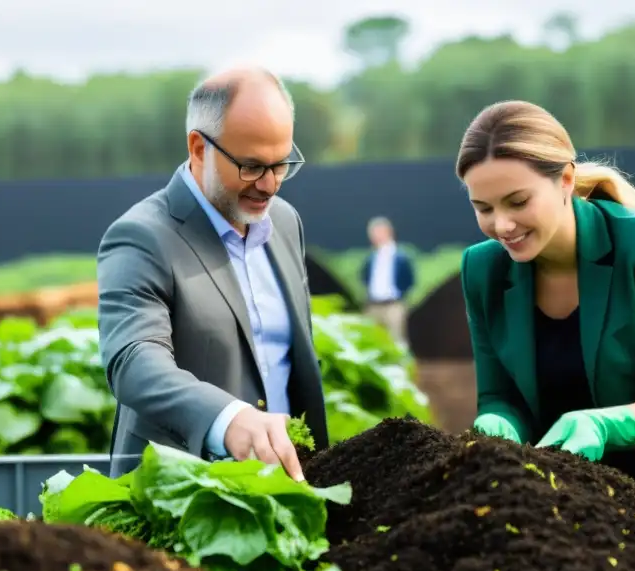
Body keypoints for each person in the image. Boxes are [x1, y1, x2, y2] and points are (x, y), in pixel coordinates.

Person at [456, 100, 635, 483]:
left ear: (565, 180)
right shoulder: (482, 269)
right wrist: (496, 424)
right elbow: (500, 396)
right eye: (483, 208)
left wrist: (609, 426)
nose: (502, 225)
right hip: (570, 491)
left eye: (518, 201)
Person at [96, 66, 328, 480]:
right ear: (199, 148)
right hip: (179, 496)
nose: (270, 185)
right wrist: (227, 418)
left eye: (282, 164)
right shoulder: (142, 236)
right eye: (252, 167)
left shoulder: (286, 223)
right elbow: (133, 360)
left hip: (283, 488)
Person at [359, 216, 416, 345]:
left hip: (394, 305)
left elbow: (409, 280)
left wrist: (401, 294)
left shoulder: (401, 257)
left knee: (397, 341)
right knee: (372, 341)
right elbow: (364, 278)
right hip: (373, 305)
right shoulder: (371, 258)